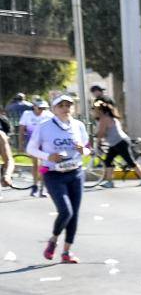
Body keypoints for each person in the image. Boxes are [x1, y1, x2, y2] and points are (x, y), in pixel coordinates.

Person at [26, 95, 89, 263]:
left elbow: (87, 149)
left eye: (68, 105)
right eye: (61, 105)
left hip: (75, 173)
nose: (65, 108)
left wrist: (83, 150)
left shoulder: (78, 125)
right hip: (53, 174)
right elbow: (30, 149)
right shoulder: (44, 126)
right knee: (66, 211)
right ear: (54, 109)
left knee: (74, 214)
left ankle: (66, 253)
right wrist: (48, 156)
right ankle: (53, 240)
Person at [92, 100, 141, 183]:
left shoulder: (104, 119)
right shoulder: (109, 117)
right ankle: (109, 182)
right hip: (115, 143)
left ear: (100, 110)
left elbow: (101, 133)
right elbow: (105, 133)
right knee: (108, 161)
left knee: (130, 162)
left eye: (95, 109)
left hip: (120, 142)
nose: (94, 111)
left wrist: (98, 141)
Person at [26, 98, 50, 196]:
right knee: (35, 164)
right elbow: (22, 128)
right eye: (40, 108)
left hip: (44, 142)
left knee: (44, 165)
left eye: (43, 108)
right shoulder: (27, 114)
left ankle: (42, 187)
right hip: (33, 142)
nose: (41, 110)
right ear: (34, 107)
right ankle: (35, 185)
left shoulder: (49, 115)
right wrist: (21, 143)